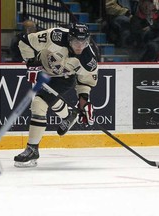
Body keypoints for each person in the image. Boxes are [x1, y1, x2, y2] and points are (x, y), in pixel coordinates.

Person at [14, 23, 99, 167]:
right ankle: (68, 116)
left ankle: (32, 149)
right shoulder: (55, 36)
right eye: (76, 42)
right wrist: (31, 64)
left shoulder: (88, 60)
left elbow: (85, 83)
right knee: (47, 100)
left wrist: (84, 103)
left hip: (64, 79)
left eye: (84, 42)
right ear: (69, 38)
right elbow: (25, 41)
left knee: (38, 104)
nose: (80, 46)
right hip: (43, 70)